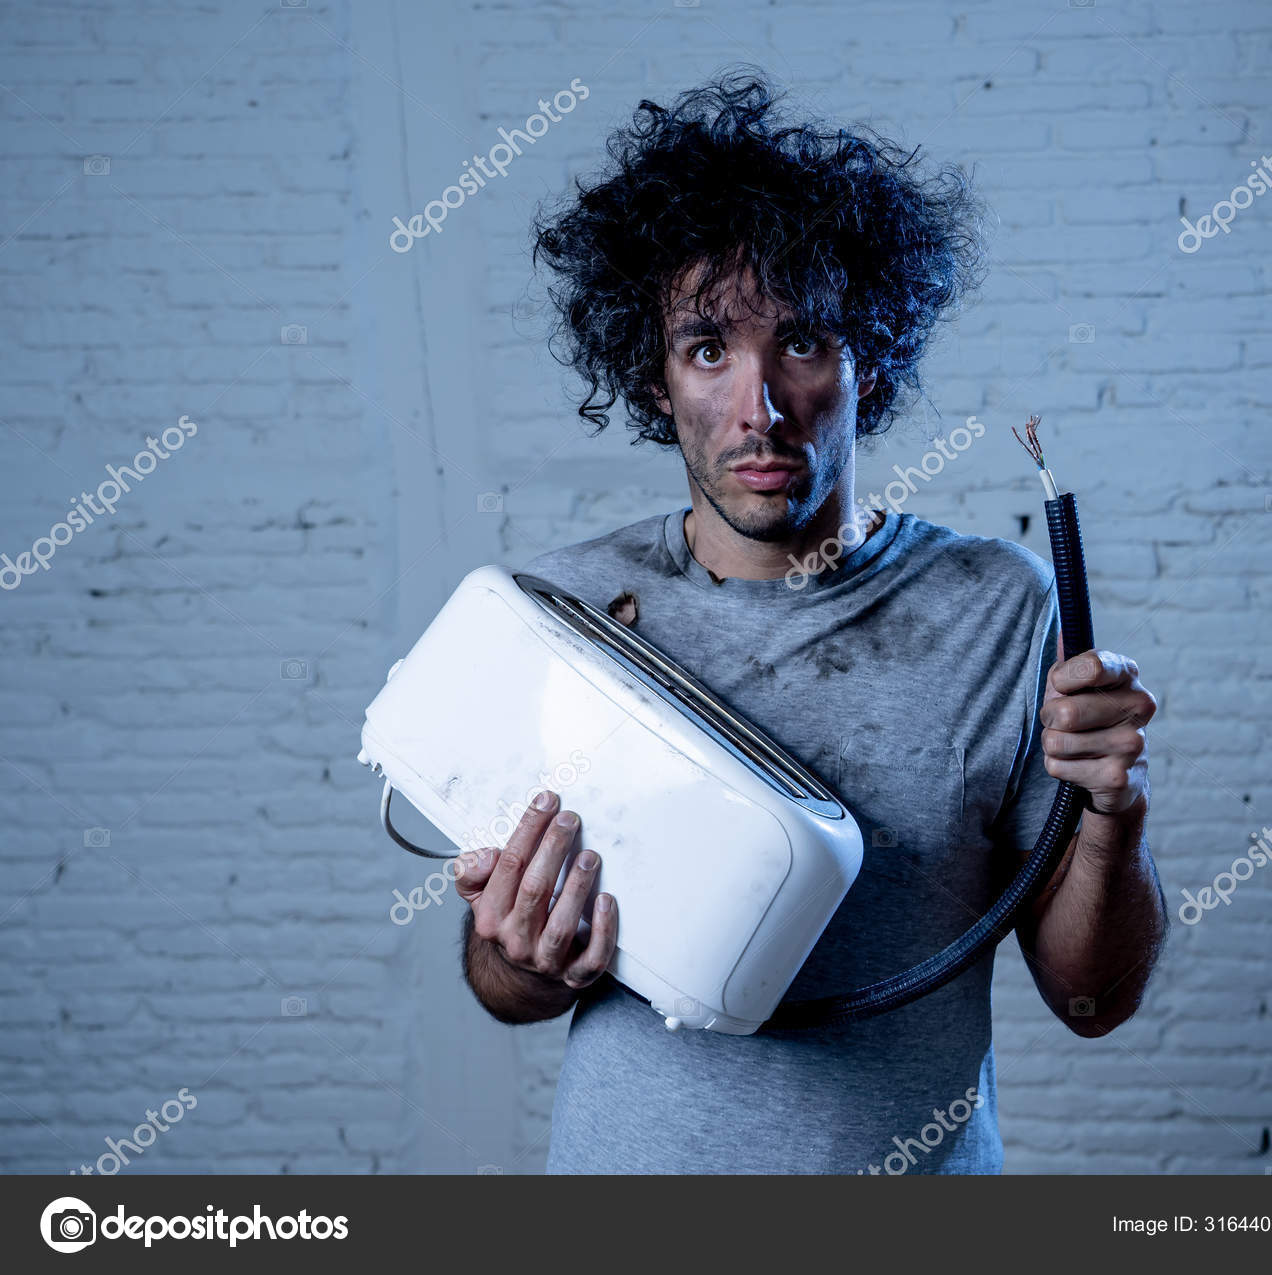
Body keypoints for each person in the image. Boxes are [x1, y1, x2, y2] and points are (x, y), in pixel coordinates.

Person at [453, 68, 1166, 1174]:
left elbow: (1090, 1001)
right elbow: (506, 991)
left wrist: (1111, 811)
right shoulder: (567, 615)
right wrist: (525, 952)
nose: (758, 408)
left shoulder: (999, 610)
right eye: (706, 350)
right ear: (653, 378)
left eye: (802, 343)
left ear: (867, 360)